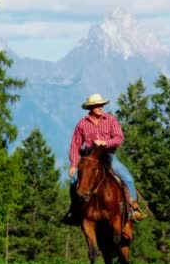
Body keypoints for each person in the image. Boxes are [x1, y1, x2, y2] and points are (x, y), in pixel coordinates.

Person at [62, 93, 146, 224]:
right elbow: (75, 144)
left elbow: (119, 137)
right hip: (89, 159)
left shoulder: (110, 120)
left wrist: (105, 143)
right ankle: (74, 211)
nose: (101, 107)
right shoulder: (82, 124)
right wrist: (73, 164)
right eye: (97, 105)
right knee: (73, 180)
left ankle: (133, 210)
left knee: (127, 177)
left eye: (101, 105)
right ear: (91, 108)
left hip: (108, 156)